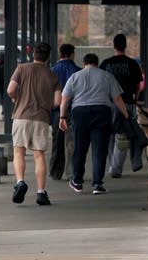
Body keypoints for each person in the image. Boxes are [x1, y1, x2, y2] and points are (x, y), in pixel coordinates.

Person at [60, 53, 129, 195]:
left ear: (84, 63)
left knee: (80, 148)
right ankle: (97, 184)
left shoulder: (75, 76)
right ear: (97, 63)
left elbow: (65, 99)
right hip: (102, 112)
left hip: (80, 113)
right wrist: (126, 114)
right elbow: (117, 98)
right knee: (100, 150)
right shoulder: (106, 76)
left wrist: (62, 117)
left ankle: (77, 181)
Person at [7, 42, 61, 206]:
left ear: (33, 54)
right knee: (39, 155)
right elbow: (57, 102)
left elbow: (10, 90)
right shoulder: (52, 76)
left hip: (21, 116)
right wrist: (46, 104)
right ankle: (40, 192)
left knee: (18, 152)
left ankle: (20, 182)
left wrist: (16, 99)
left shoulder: (22, 68)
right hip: (41, 118)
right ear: (48, 57)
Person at [100, 34, 143, 178]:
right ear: (125, 46)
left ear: (114, 46)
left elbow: (101, 84)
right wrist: (135, 99)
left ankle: (114, 165)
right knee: (123, 135)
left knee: (111, 135)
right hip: (127, 104)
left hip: (109, 105)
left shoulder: (105, 64)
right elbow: (138, 85)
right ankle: (116, 168)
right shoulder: (132, 64)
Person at [49, 44, 81, 181]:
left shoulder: (52, 71)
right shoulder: (78, 71)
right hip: (74, 110)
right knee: (72, 142)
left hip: (56, 112)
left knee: (57, 142)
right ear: (72, 54)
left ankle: (55, 172)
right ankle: (71, 172)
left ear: (60, 53)